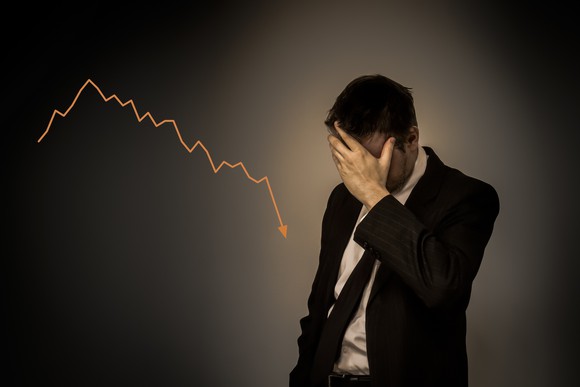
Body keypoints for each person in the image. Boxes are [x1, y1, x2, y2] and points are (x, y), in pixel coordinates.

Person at [289, 74, 500, 387]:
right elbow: (321, 303)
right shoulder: (341, 198)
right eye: (352, 158)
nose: (362, 172)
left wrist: (375, 196)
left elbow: (443, 288)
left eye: (372, 159)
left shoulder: (467, 197)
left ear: (411, 139)